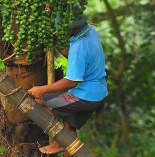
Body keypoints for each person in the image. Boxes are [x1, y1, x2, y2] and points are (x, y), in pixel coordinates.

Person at [28, 12, 108, 156]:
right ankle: (68, 146)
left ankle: (60, 143)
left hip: (85, 96)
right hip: (98, 91)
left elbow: (71, 81)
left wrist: (42, 89)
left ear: (69, 28)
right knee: (69, 127)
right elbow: (76, 57)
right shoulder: (89, 29)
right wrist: (55, 43)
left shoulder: (79, 47)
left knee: (39, 104)